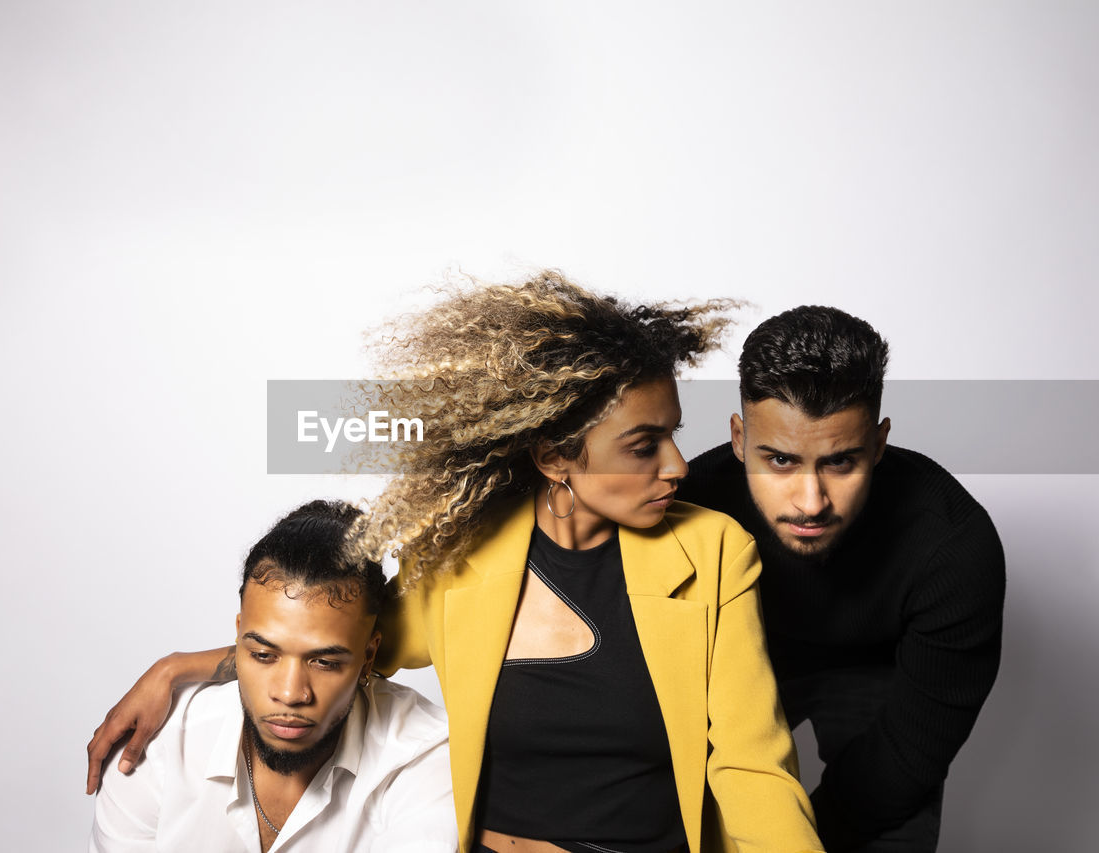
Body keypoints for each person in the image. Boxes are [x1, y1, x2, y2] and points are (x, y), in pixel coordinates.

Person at [87, 271, 824, 853]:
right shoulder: (466, 552)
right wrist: (179, 668)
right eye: (643, 445)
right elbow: (346, 648)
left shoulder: (714, 551)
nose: (676, 465)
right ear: (556, 455)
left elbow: (752, 766)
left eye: (673, 435)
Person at [676, 306, 1005, 853]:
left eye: (841, 463)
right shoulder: (690, 509)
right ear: (739, 439)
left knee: (888, 819)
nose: (811, 502)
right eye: (779, 460)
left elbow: (916, 744)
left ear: (878, 444)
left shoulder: (952, 542)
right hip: (735, 654)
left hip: (877, 668)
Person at [89, 500, 457, 853]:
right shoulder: (160, 743)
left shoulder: (419, 758)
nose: (290, 693)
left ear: (369, 656)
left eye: (325, 662)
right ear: (239, 637)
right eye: (264, 655)